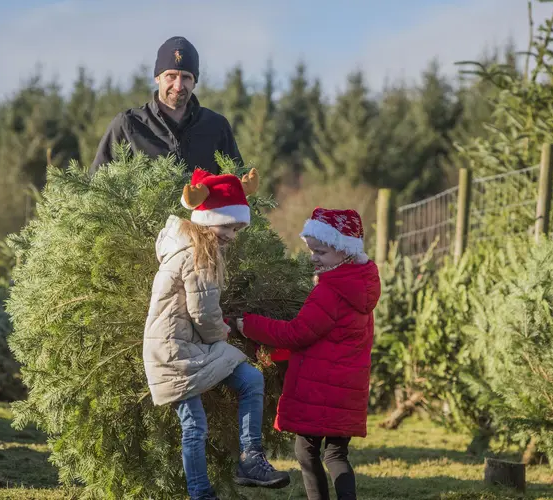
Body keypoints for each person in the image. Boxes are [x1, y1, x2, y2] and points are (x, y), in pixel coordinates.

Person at [143, 167, 289, 499]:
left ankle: (250, 460)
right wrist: (224, 333)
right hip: (175, 353)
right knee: (194, 425)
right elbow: (204, 314)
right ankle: (202, 492)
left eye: (238, 228)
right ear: (208, 221)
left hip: (184, 347)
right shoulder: (199, 255)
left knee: (250, 381)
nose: (233, 235)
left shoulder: (189, 246)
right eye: (229, 226)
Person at [237, 208, 381, 500]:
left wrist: (248, 324)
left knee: (307, 451)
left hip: (321, 387)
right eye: (311, 250)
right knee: (336, 454)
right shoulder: (361, 285)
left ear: (344, 251)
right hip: (347, 388)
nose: (314, 257)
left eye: (322, 252)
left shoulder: (330, 291)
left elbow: (297, 333)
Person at [89, 36, 243, 177]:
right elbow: (98, 187)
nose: (178, 86)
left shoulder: (216, 126)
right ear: (157, 77)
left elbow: (237, 187)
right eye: (171, 76)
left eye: (186, 77)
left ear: (194, 82)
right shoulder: (128, 125)